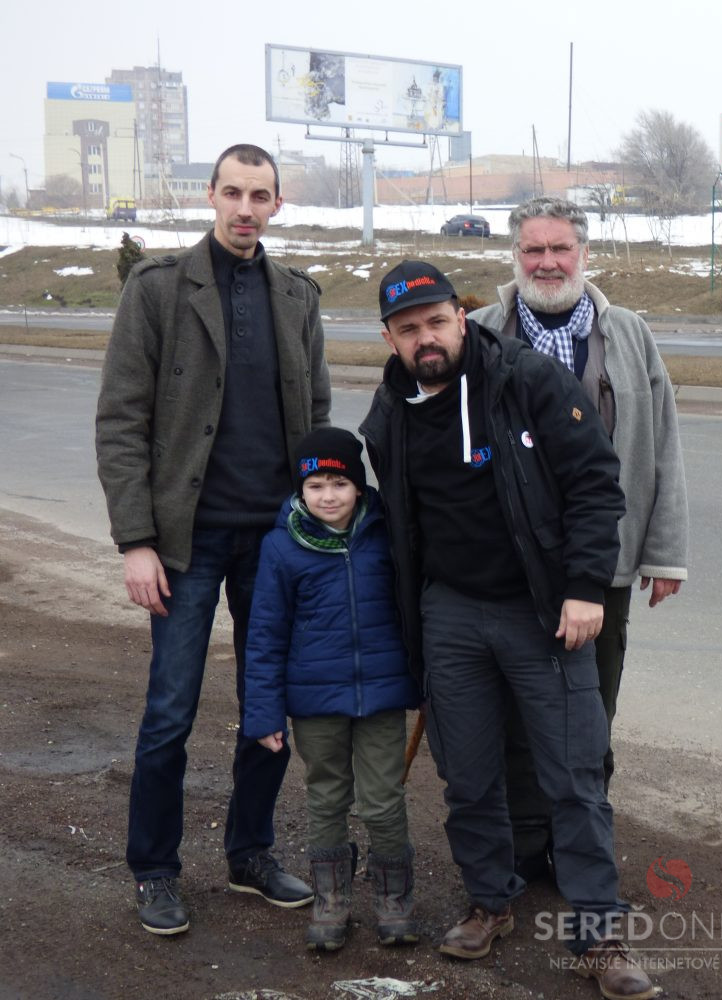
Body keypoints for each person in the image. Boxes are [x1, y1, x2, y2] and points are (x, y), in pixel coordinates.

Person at [360, 261, 656, 1000]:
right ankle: (490, 900)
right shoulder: (390, 412)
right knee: (468, 775)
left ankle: (600, 933)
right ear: (390, 338)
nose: (426, 339)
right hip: (450, 615)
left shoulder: (525, 380)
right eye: (408, 329)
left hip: (540, 610)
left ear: (461, 319)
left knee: (574, 778)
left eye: (436, 322)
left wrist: (584, 588)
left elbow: (595, 484)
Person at [95, 143, 328, 936]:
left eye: (259, 196)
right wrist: (136, 539)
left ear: (277, 204)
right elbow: (121, 419)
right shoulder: (158, 288)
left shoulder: (296, 295)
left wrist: (317, 525)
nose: (245, 209)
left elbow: (316, 415)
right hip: (184, 544)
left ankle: (250, 853)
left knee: (270, 703)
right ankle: (155, 869)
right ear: (211, 195)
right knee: (170, 710)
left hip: (274, 542)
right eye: (233, 192)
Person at [470, 196, 689, 879]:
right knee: (514, 718)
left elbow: (660, 443)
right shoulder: (481, 332)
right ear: (515, 256)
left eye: (560, 248)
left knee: (590, 713)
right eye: (533, 249)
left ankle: (578, 847)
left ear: (584, 254)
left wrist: (665, 553)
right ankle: (523, 848)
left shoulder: (627, 333)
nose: (547, 262)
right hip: (506, 566)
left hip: (602, 564)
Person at [244, 427, 420, 952]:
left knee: (383, 800)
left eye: (339, 484)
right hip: (315, 701)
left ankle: (393, 899)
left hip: (382, 696)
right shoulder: (281, 548)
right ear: (300, 490)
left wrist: (426, 679)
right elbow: (265, 635)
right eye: (315, 485)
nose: (327, 496)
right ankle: (331, 899)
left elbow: (416, 610)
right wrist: (263, 713)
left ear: (358, 487)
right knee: (326, 796)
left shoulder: (386, 535)